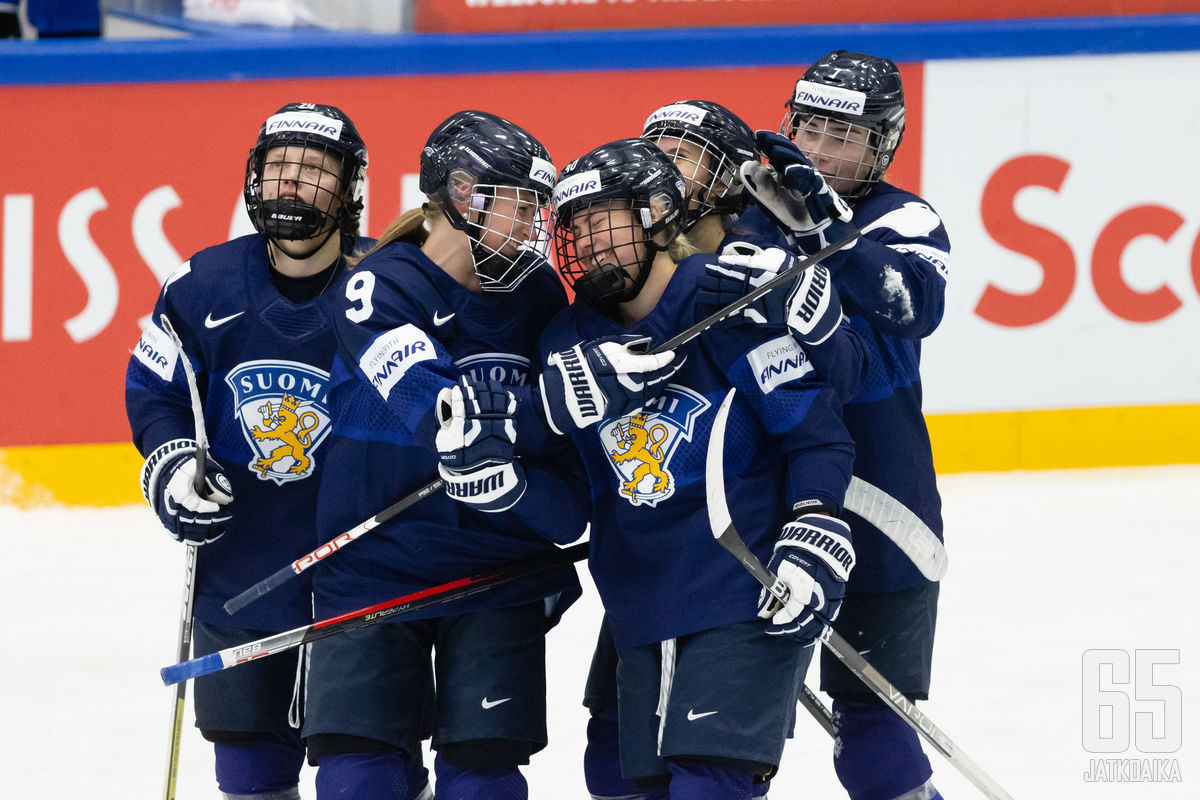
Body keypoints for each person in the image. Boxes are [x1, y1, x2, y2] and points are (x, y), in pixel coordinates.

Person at [536, 137, 858, 798]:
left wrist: (816, 527)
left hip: (743, 592)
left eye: (604, 220)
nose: (589, 243)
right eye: (576, 228)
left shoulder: (724, 307)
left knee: (709, 783)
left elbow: (816, 433)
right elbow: (575, 489)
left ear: (657, 213)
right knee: (627, 786)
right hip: (641, 603)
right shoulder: (566, 342)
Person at [301, 110, 586, 800]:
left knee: (483, 777)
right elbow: (422, 392)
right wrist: (466, 429)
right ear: (460, 194)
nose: (532, 224)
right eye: (520, 204)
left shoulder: (540, 294)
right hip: (371, 568)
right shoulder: (379, 283)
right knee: (359, 775)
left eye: (536, 207)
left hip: (494, 570)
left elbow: (557, 430)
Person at [699, 50, 952, 800]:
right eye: (809, 128)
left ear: (884, 143)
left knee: (872, 726)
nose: (819, 150)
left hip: (879, 499)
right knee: (715, 728)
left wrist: (828, 229)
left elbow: (914, 310)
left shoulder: (905, 218)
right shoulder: (744, 216)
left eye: (844, 136)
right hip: (750, 499)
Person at [126, 102, 375, 800]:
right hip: (242, 570)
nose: (291, 187)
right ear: (253, 181)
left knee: (370, 764)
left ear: (350, 188)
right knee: (247, 767)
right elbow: (156, 388)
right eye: (277, 171)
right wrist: (173, 465)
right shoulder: (198, 285)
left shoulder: (391, 282)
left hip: (364, 578)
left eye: (313, 173)